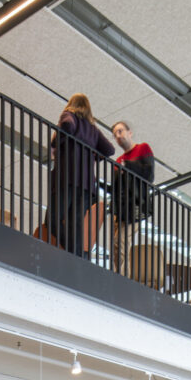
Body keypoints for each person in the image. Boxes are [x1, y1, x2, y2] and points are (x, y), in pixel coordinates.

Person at [47, 93, 114, 257]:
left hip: (67, 177)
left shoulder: (68, 115)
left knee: (53, 221)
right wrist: (92, 156)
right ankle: (77, 257)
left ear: (71, 104)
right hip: (86, 184)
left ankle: (74, 254)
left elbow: (68, 126)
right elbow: (109, 150)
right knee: (75, 224)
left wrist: (56, 141)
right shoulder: (93, 130)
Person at [108, 120, 154, 276]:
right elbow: (115, 187)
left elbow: (149, 175)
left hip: (134, 206)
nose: (118, 136)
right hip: (120, 208)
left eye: (120, 131)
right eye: (115, 134)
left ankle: (121, 278)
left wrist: (127, 167)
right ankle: (119, 275)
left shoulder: (142, 149)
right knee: (118, 245)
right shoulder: (118, 160)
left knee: (119, 242)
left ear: (129, 132)